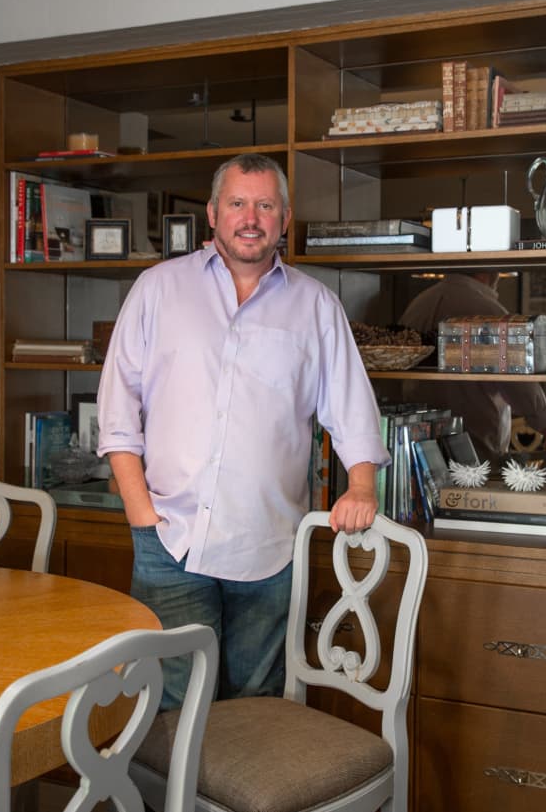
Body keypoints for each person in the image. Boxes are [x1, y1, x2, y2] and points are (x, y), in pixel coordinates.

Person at [97, 153, 389, 709]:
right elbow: (117, 408)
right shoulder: (157, 289)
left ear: (284, 218)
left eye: (264, 205)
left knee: (252, 707)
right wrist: (141, 512)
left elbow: (351, 409)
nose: (249, 218)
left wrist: (361, 487)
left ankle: (229, 802)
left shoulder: (316, 306)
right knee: (169, 705)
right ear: (212, 213)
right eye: (237, 203)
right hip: (170, 539)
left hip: (270, 547)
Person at [399, 272, 546, 464]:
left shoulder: (418, 304)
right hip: (476, 446)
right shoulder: (487, 309)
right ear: (490, 273)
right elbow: (519, 385)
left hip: (416, 446)